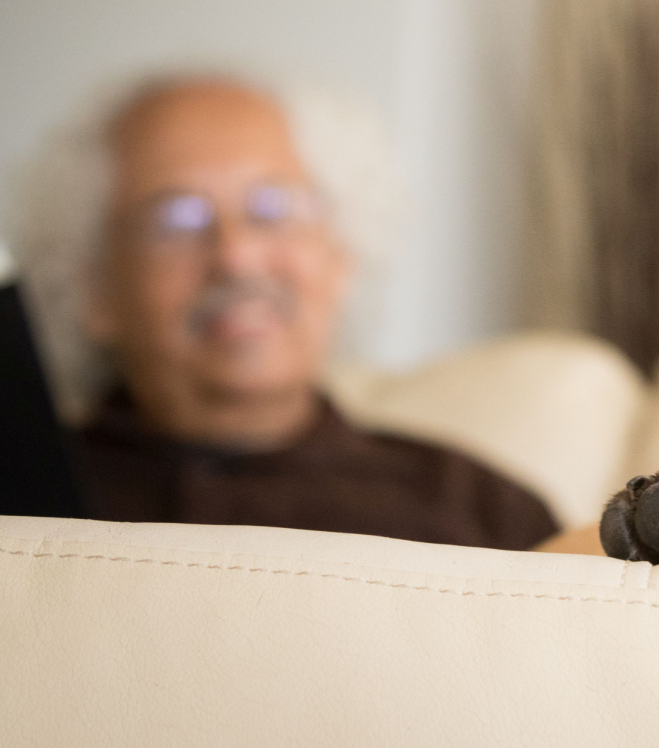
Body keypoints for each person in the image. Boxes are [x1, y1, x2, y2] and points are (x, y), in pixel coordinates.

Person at [8, 74, 558, 550]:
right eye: (176, 219)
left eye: (273, 208)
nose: (236, 257)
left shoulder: (480, 506)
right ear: (92, 290)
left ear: (340, 259)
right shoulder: (27, 500)